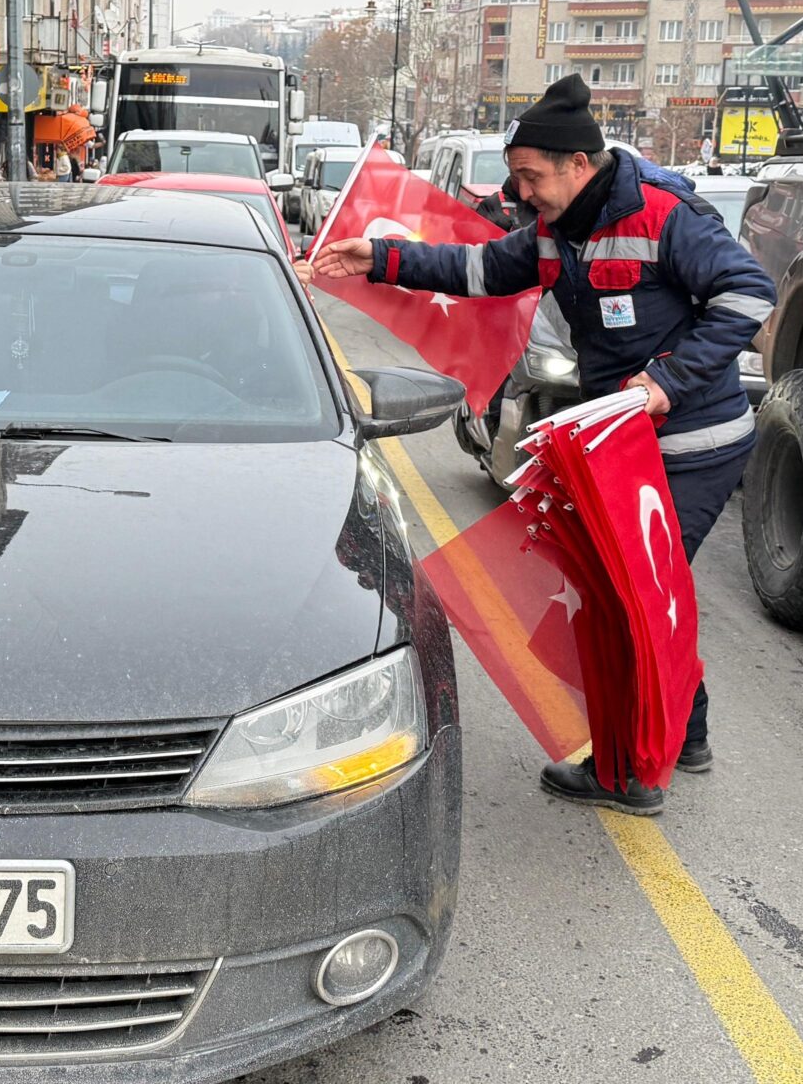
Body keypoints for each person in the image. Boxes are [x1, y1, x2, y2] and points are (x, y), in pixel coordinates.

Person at [312, 73, 775, 815]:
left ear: (578, 165)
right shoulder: (562, 228)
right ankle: (684, 731)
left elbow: (750, 293)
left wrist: (665, 380)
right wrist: (383, 258)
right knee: (650, 592)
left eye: (531, 176)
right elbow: (483, 269)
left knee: (628, 598)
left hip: (691, 442)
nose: (522, 193)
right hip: (621, 445)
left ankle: (630, 772)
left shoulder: (662, 213)